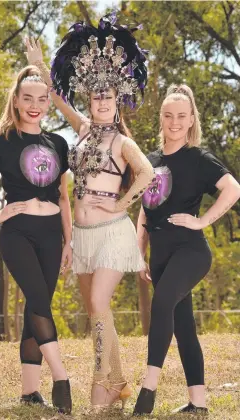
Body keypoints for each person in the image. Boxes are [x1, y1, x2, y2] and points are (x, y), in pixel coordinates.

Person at [25, 12, 154, 409]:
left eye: (107, 96)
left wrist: (120, 201)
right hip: (82, 238)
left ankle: (103, 384)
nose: (100, 100)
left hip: (113, 233)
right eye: (96, 95)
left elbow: (148, 172)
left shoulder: (120, 141)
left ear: (117, 102)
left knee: (99, 304)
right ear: (91, 100)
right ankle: (117, 383)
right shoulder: (81, 129)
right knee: (95, 311)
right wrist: (43, 67)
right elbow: (59, 98)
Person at [0, 66, 73, 414]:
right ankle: (61, 377)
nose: (35, 105)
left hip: (53, 234)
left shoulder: (58, 143)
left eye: (42, 99)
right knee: (39, 301)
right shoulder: (1, 140)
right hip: (18, 232)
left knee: (35, 312)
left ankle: (28, 392)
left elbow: (64, 196)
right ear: (17, 100)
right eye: (28, 98)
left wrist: (69, 241)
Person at [133, 84, 240, 416]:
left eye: (181, 116)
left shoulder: (198, 159)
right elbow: (144, 210)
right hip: (161, 255)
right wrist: (139, 252)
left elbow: (233, 189)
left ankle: (148, 389)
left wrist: (203, 220)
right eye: (168, 115)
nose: (174, 122)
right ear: (161, 118)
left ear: (191, 119)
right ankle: (198, 402)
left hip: (191, 251)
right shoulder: (149, 161)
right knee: (183, 327)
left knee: (163, 302)